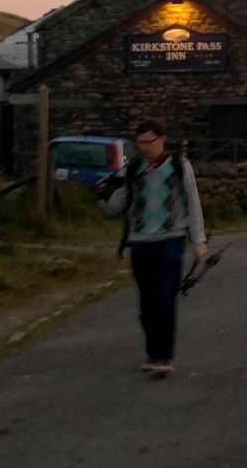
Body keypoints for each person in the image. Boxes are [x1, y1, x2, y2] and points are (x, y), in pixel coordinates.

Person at [97, 117, 208, 377]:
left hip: (171, 238)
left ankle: (163, 356)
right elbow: (117, 206)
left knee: (165, 296)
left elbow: (193, 203)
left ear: (163, 139)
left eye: (150, 142)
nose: (145, 148)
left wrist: (199, 243)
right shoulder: (132, 168)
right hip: (140, 241)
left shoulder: (180, 166)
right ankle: (152, 353)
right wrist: (103, 196)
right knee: (147, 303)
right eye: (141, 143)